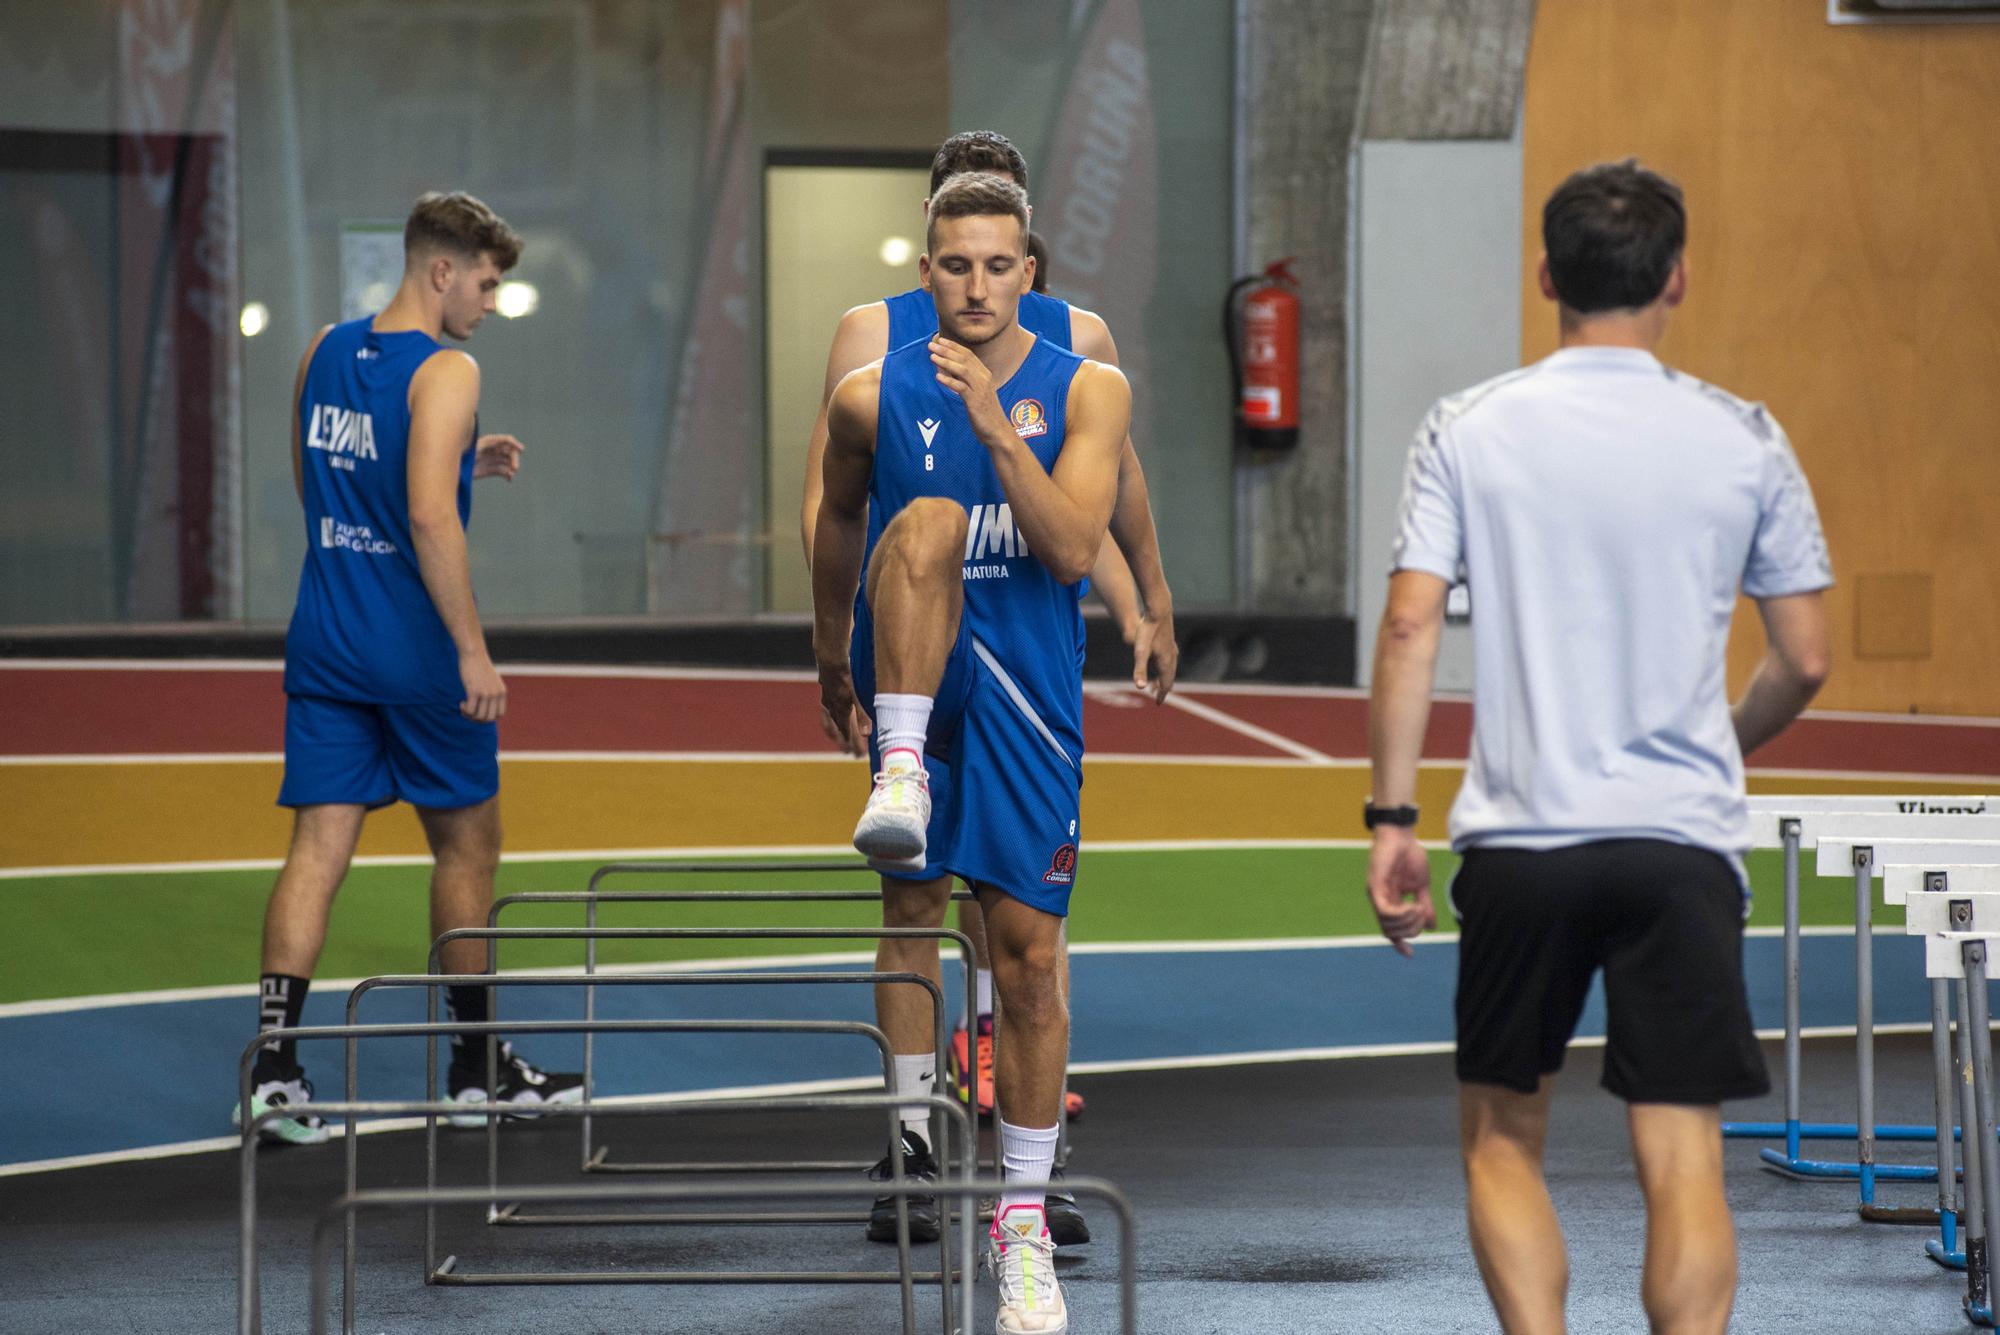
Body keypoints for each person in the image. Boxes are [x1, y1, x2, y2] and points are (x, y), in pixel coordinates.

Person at [1364, 159, 1832, 1334]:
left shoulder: (1465, 428)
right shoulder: (1744, 437)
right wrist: (1716, 744)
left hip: (1522, 844)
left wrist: (1391, 818)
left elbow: (1411, 621)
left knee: (1499, 1138)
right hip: (1679, 844)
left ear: (1544, 277)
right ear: (1675, 279)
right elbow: (1806, 658)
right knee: (1682, 1157)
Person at [799, 130, 1174, 1247]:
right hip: (918, 647)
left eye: (998, 252)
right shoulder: (873, 349)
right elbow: (833, 499)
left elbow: (1106, 493)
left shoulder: (1082, 354)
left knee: (1024, 944)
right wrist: (828, 650)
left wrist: (1144, 596)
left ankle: (1029, 1165)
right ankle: (911, 1145)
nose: (976, 276)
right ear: (929, 249)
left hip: (1027, 664)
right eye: (954, 254)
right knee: (913, 901)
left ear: (1027, 255)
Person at [235, 191, 582, 1144]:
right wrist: (473, 649)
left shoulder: (322, 350)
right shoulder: (449, 372)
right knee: (468, 848)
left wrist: (465, 464)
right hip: (419, 654)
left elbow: (324, 488)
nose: (488, 302)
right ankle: (475, 1073)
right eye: (486, 282)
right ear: (442, 270)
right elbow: (425, 517)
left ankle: (273, 1071)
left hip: (327, 639)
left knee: (317, 849)